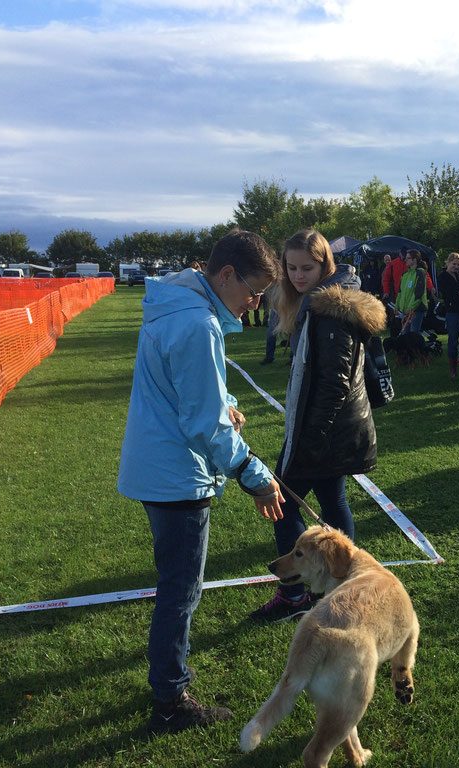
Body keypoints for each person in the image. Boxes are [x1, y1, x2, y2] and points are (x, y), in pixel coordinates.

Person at [117, 229, 284, 734]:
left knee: (177, 586)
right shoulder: (196, 323)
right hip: (174, 474)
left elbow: (193, 392)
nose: (255, 304)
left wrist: (224, 405)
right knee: (181, 591)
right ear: (226, 274)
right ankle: (170, 700)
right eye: (253, 292)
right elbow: (204, 425)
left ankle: (168, 687)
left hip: (158, 464)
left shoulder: (180, 305)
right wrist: (256, 475)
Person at [250, 229, 386, 623]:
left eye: (306, 267)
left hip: (325, 432)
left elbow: (334, 385)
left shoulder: (330, 311)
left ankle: (295, 595)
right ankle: (345, 589)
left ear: (325, 264)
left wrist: (311, 437)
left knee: (281, 503)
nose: (297, 275)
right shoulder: (314, 304)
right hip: (328, 431)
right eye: (290, 267)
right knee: (332, 502)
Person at [438, 252, 459, 377]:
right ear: (448, 263)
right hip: (452, 312)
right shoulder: (443, 277)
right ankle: (453, 369)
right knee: (453, 340)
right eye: (454, 264)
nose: (456, 266)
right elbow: (451, 295)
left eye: (458, 264)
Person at [396, 249, 431, 334]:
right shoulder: (405, 274)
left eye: (408, 258)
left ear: (414, 259)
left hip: (417, 309)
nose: (405, 260)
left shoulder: (420, 273)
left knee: (413, 334)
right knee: (405, 335)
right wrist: (397, 305)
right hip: (406, 310)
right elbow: (400, 291)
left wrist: (411, 308)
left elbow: (418, 293)